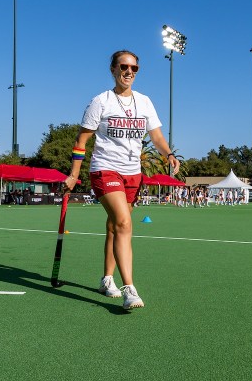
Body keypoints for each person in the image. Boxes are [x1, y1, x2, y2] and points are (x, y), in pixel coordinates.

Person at [63, 50, 180, 310]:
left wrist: (169, 154)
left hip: (133, 174)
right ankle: (130, 288)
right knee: (124, 223)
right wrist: (73, 175)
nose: (129, 72)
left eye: (134, 68)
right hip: (105, 169)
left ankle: (107, 279)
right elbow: (82, 141)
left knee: (115, 226)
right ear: (113, 70)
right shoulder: (101, 101)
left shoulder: (145, 102)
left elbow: (157, 137)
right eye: (124, 67)